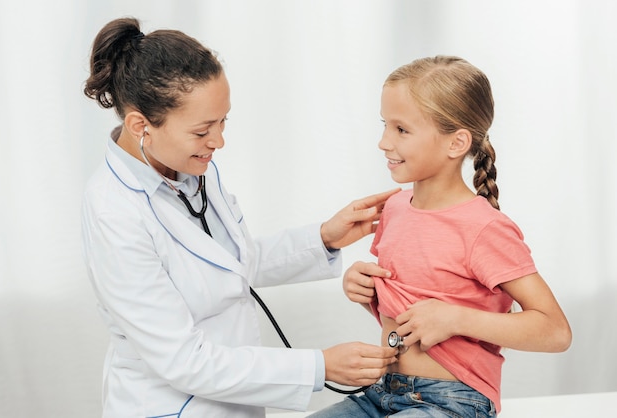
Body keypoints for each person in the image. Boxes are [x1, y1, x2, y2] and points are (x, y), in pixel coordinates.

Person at [81, 17, 400, 418]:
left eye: (222, 122)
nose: (218, 142)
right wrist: (319, 366)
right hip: (170, 408)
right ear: (140, 125)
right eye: (202, 131)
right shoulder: (114, 211)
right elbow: (183, 360)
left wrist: (325, 237)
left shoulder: (190, 168)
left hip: (233, 402)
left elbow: (228, 265)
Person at [308, 56, 572, 417]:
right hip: (381, 392)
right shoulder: (397, 208)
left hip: (453, 400)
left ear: (456, 143)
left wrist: (456, 319)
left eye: (401, 130)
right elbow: (413, 311)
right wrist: (365, 291)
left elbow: (555, 331)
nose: (384, 142)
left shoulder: (484, 227)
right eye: (385, 125)